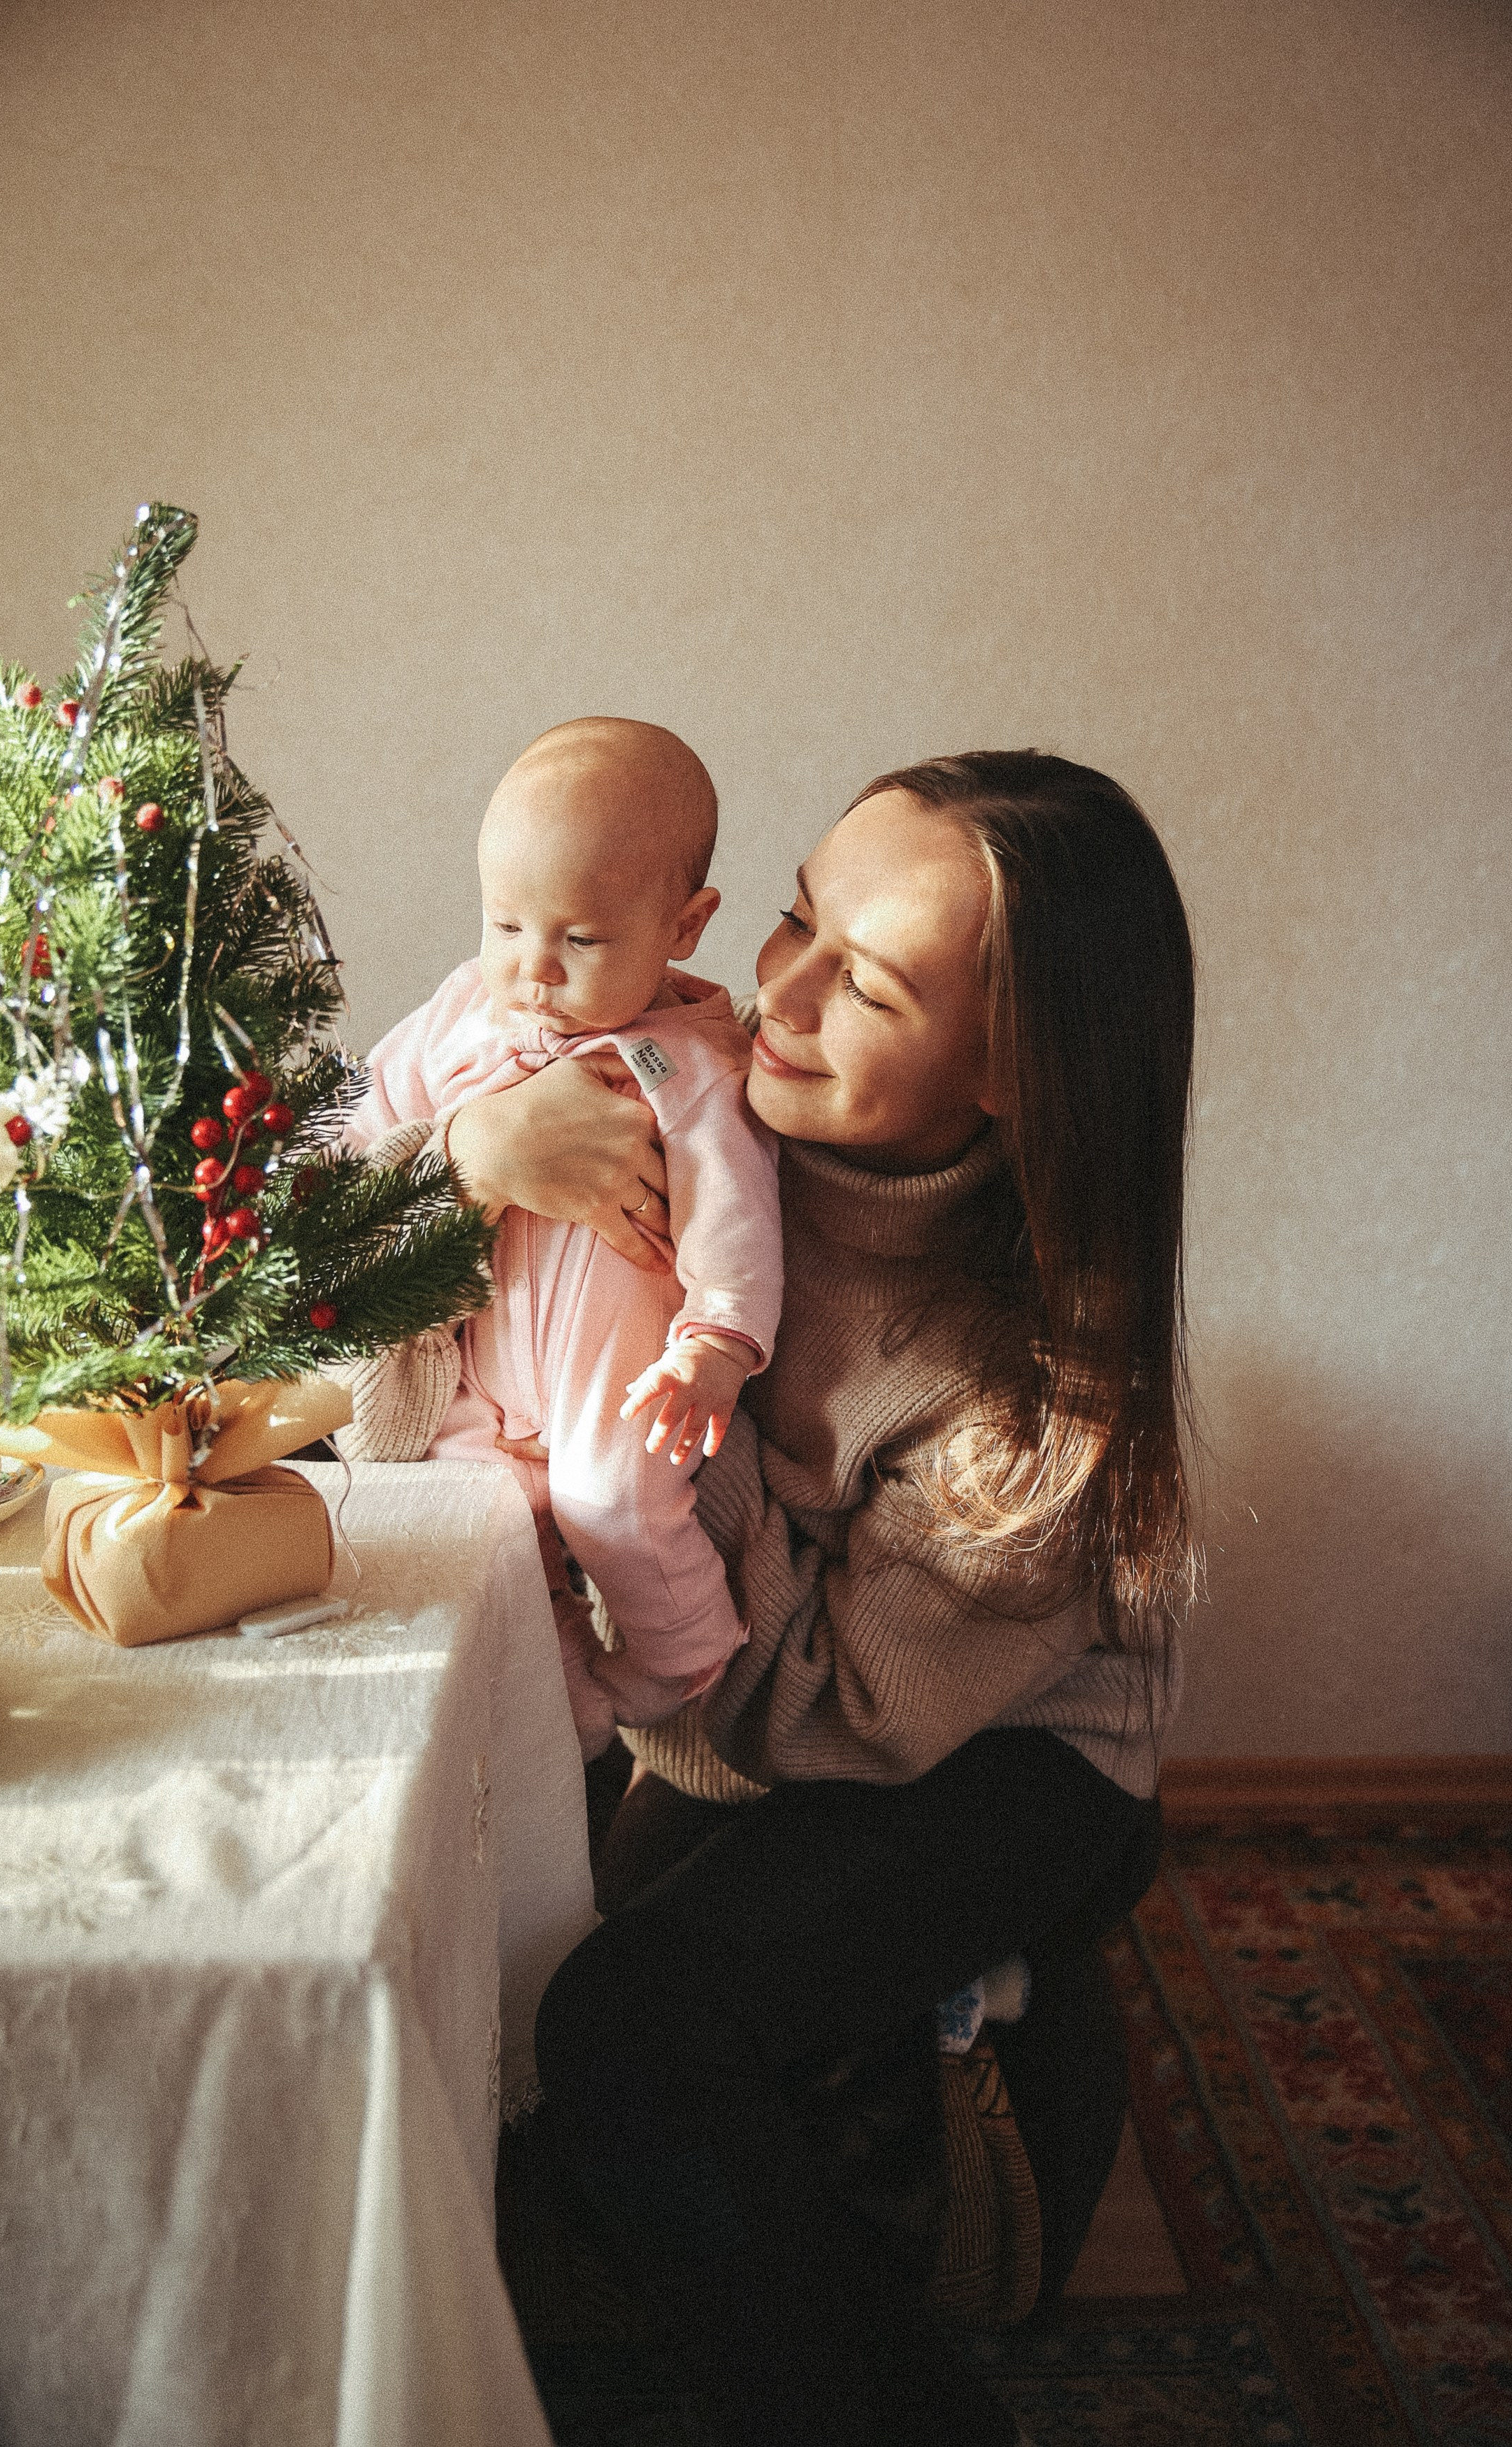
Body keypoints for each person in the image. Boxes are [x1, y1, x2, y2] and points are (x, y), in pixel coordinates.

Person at [447, 749, 1196, 2447]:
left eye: (863, 979)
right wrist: (474, 1161)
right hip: (737, 1669)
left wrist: (657, 1433)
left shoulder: (1035, 1391)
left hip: (986, 1749)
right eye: (796, 914)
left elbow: (813, 1715)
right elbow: (414, 1370)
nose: (776, 989)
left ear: (1016, 1068)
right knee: (481, 1879)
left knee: (622, 2023)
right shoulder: (713, 1096)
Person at [341, 715, 782, 1757]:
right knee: (469, 1527)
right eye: (505, 927)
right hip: (473, 1364)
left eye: (580, 940)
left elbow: (735, 1211)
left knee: (610, 1499)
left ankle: (683, 1653)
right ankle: (563, 1697)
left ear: (684, 923)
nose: (532, 969)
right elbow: (364, 1144)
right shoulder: (458, 1014)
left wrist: (715, 1345)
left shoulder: (686, 1062)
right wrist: (446, 1147)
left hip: (609, 1375)